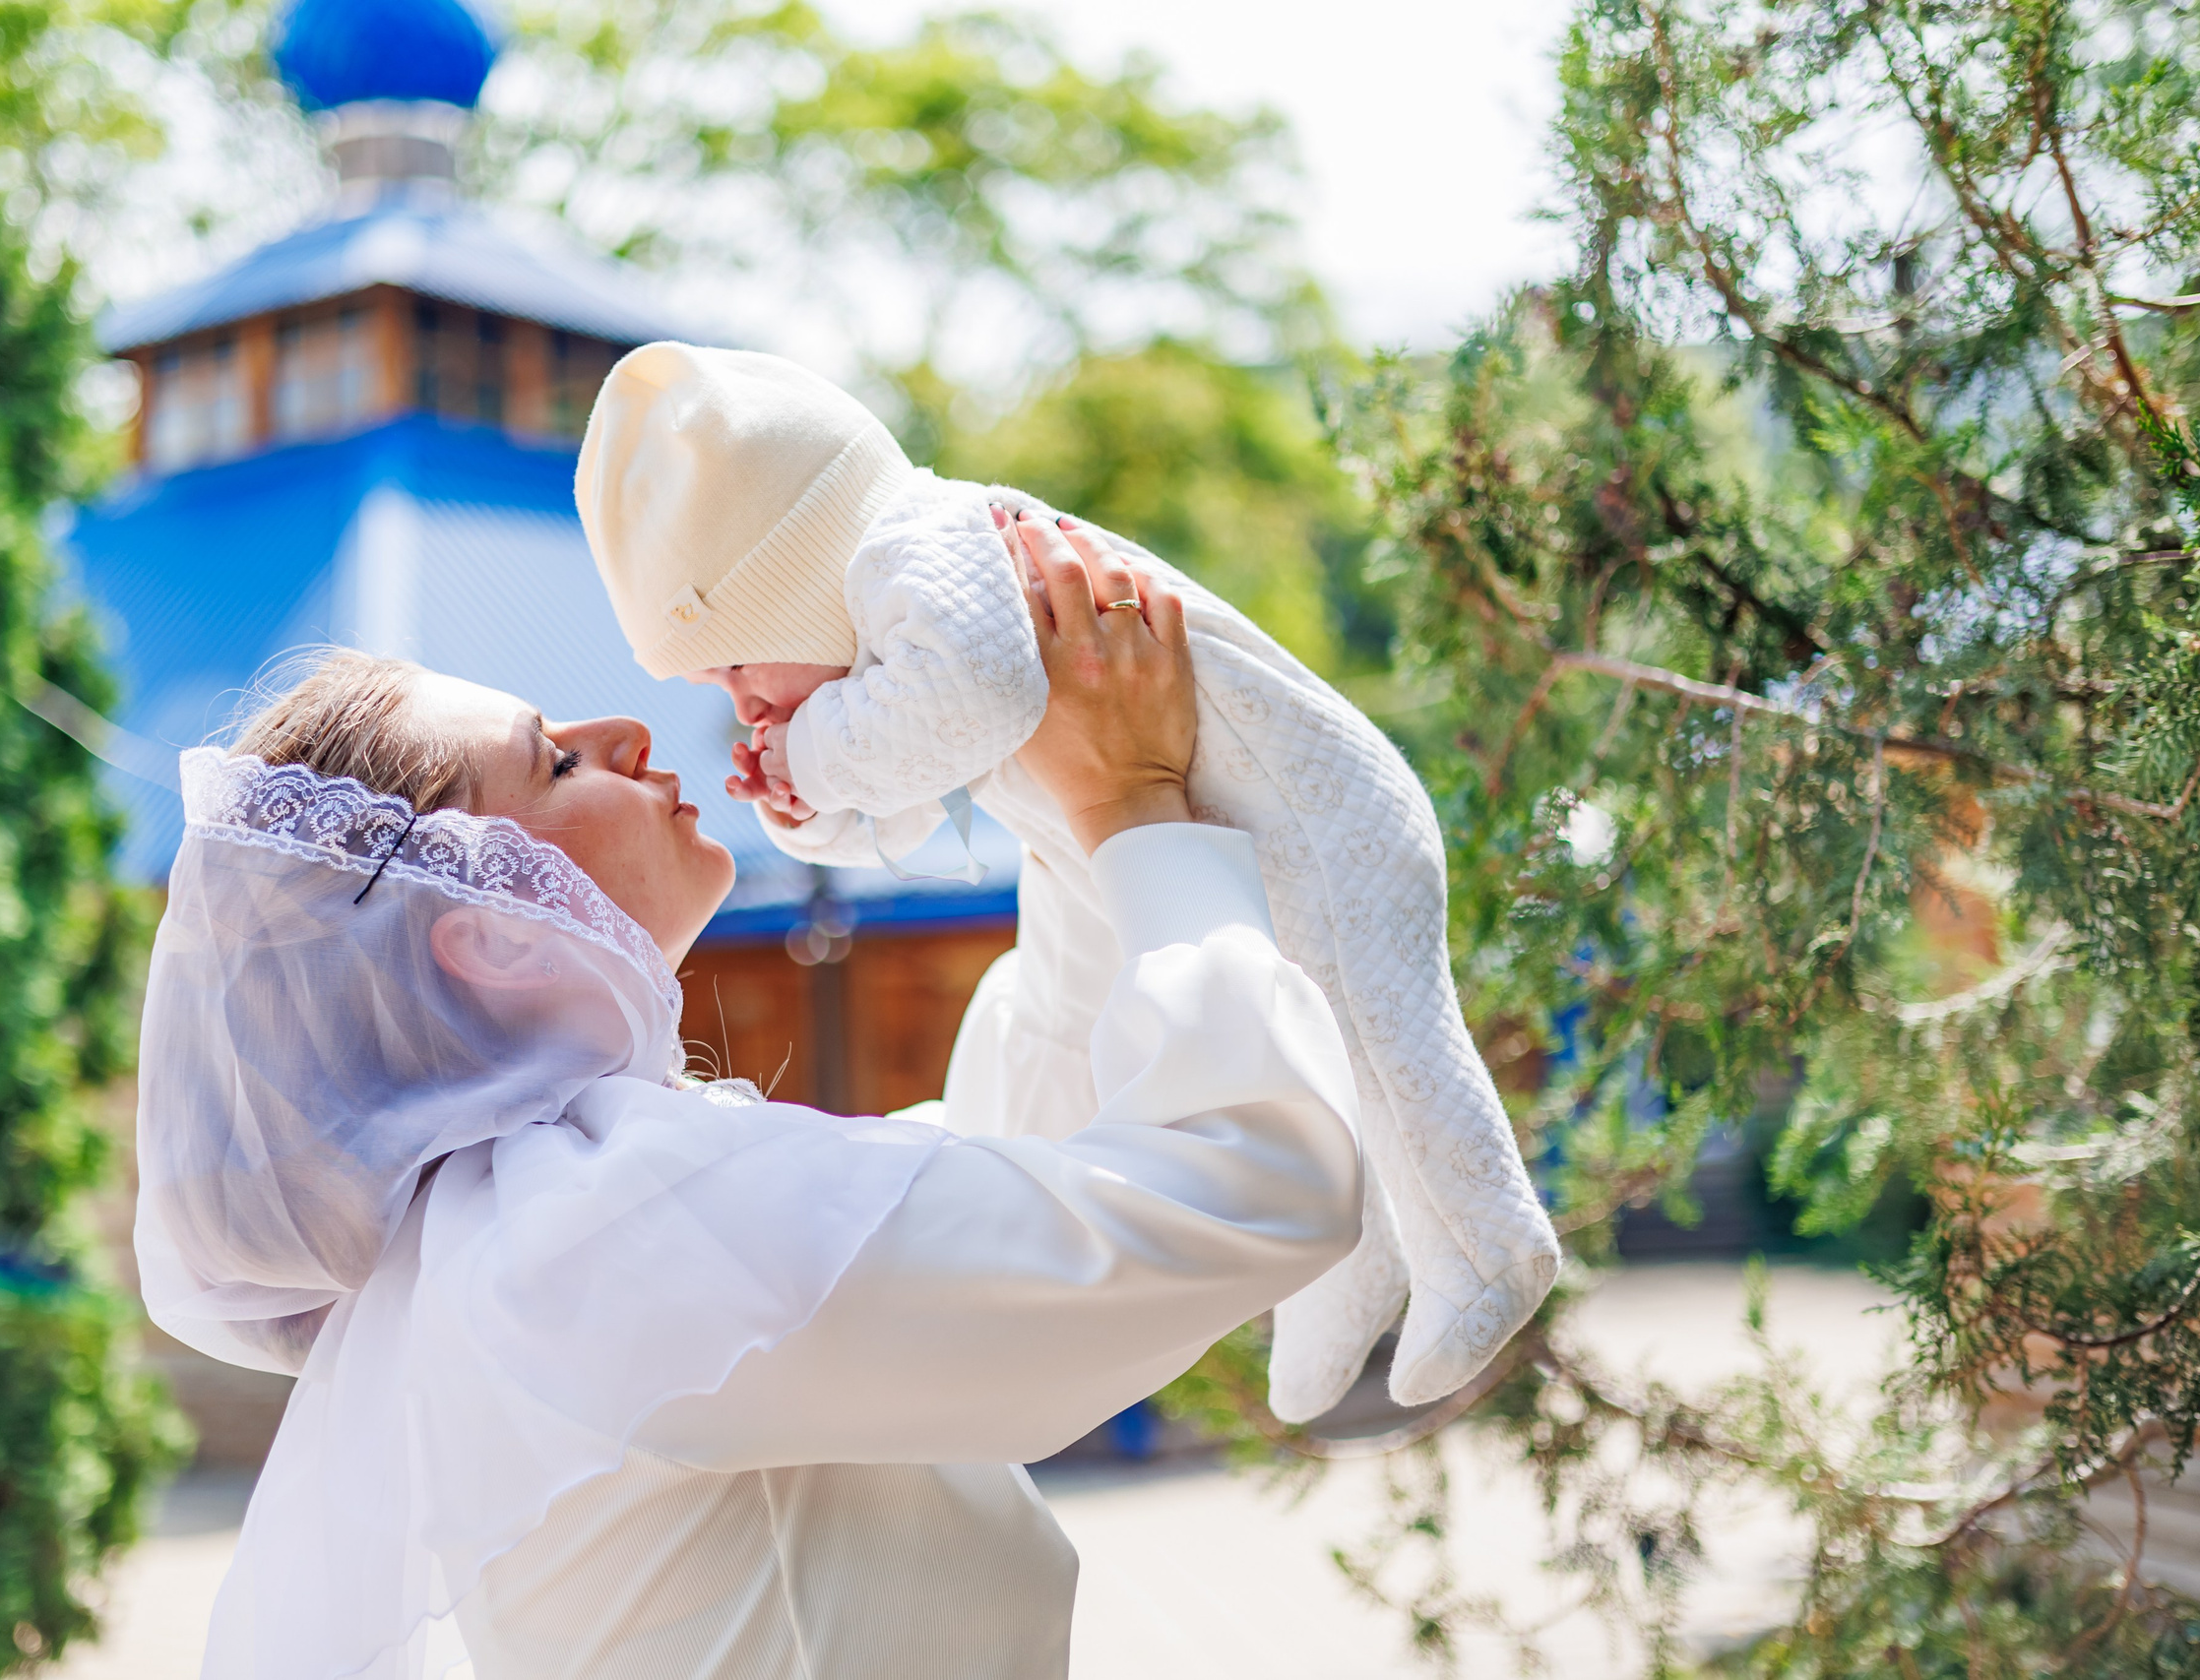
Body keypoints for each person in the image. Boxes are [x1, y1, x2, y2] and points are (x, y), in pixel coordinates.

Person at [133, 527, 1370, 1680]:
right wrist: (1135, 810)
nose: (621, 729)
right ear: (491, 943)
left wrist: (1051, 796)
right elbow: (1250, 1188)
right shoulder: (593, 1229)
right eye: (555, 761)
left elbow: (994, 1162)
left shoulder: (525, 1221)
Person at [575, 342, 1557, 1419]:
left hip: (1316, 820)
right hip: (1149, 849)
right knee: (1303, 1064)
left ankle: (1489, 1241)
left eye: (732, 661)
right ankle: (1345, 1279)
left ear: (790, 578)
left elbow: (976, 697)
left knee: (1383, 1044)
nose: (741, 700)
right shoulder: (886, 630)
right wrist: (811, 809)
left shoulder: (920, 542)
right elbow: (909, 796)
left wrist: (812, 757)